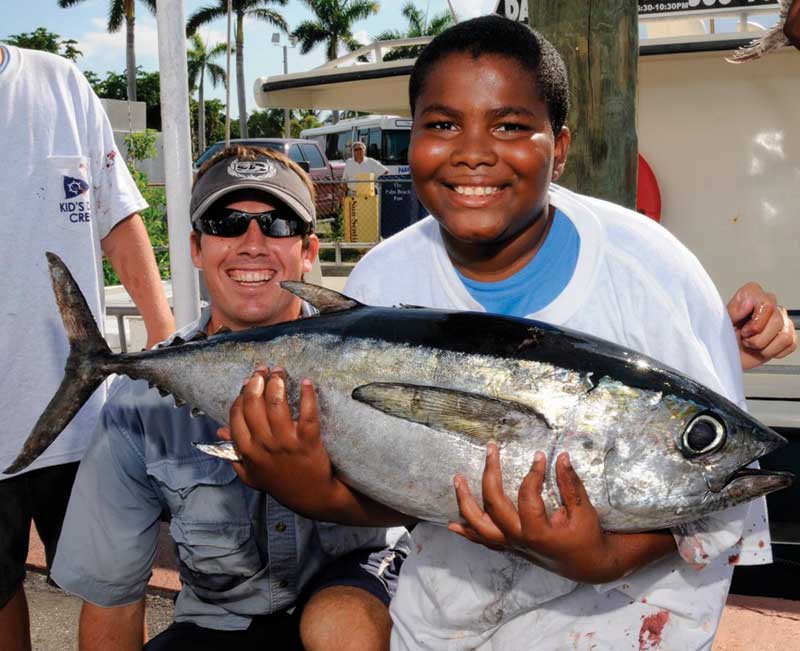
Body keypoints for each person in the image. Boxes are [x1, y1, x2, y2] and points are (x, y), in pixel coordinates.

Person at [224, 16, 796, 651]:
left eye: (511, 125)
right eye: (442, 125)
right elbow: (409, 485)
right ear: (409, 138)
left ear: (562, 145)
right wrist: (320, 492)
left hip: (633, 626)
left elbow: (719, 509)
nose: (474, 150)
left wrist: (599, 557)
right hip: (452, 622)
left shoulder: (654, 273)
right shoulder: (384, 278)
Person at [50, 146, 407, 651]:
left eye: (278, 224)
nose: (252, 243)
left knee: (341, 626)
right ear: (196, 247)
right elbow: (113, 600)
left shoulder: (373, 363)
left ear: (309, 250)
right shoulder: (137, 402)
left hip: (359, 601)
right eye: (226, 223)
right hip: (220, 624)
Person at [0, 44, 175, 651]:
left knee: (116, 589)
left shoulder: (60, 82)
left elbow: (117, 217)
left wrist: (165, 340)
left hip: (87, 420)